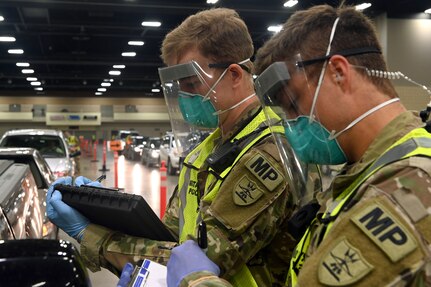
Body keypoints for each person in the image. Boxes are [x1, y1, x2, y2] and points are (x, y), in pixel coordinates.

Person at [165, 4, 431, 287]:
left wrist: (197, 280)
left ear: (338, 73)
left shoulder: (403, 187)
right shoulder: (365, 173)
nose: (291, 123)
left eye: (293, 103)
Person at [47, 8, 314, 287]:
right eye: (180, 87)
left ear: (234, 75)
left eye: (191, 84)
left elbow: (200, 262)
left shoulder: (269, 151)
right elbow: (173, 237)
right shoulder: (208, 150)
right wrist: (106, 215)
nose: (185, 96)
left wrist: (91, 235)